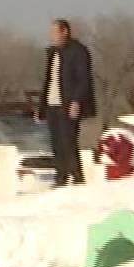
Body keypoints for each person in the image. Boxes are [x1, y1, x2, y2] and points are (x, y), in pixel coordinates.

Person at [37, 19, 95, 187]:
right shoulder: (52, 53)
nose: (52, 36)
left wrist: (76, 101)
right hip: (52, 103)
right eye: (51, 33)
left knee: (68, 139)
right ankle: (60, 176)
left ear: (65, 32)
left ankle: (77, 176)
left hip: (68, 102)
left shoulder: (78, 52)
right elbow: (48, 81)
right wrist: (42, 107)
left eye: (55, 33)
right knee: (56, 142)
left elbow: (83, 79)